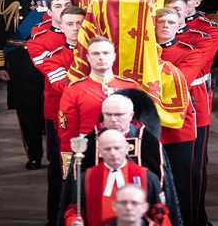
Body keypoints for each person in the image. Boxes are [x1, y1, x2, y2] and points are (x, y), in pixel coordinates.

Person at [65, 92, 183, 226]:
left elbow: (160, 199)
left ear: (131, 116)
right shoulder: (88, 145)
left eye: (119, 115)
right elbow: (74, 202)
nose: (113, 119)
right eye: (108, 115)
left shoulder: (149, 144)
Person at [27, 0, 84, 226]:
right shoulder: (52, 52)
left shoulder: (98, 50)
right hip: (61, 117)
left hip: (92, 118)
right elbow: (61, 84)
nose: (75, 28)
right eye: (70, 24)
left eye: (79, 23)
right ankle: (57, 217)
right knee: (61, 169)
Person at [0, 0, 52, 170]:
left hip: (49, 59)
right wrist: (0, 66)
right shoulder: (4, 1)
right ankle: (34, 155)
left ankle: (55, 153)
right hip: (20, 61)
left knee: (52, 109)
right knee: (27, 111)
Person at [57, 36, 140, 175]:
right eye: (96, 53)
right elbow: (67, 132)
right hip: (90, 154)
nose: (101, 57)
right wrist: (68, 169)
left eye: (106, 53)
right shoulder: (74, 90)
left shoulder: (131, 87)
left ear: (114, 56)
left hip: (128, 153)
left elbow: (141, 124)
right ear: (88, 57)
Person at [155, 7, 207, 226]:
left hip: (179, 122)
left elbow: (180, 80)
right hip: (150, 122)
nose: (165, 26)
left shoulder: (191, 51)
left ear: (180, 26)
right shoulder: (143, 51)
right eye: (161, 22)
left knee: (182, 181)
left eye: (170, 22)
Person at [62, 130, 168, 226]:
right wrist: (74, 222)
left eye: (117, 148)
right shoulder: (86, 178)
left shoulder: (147, 176)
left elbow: (160, 212)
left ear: (126, 147)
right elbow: (74, 210)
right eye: (107, 149)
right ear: (100, 151)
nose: (113, 153)